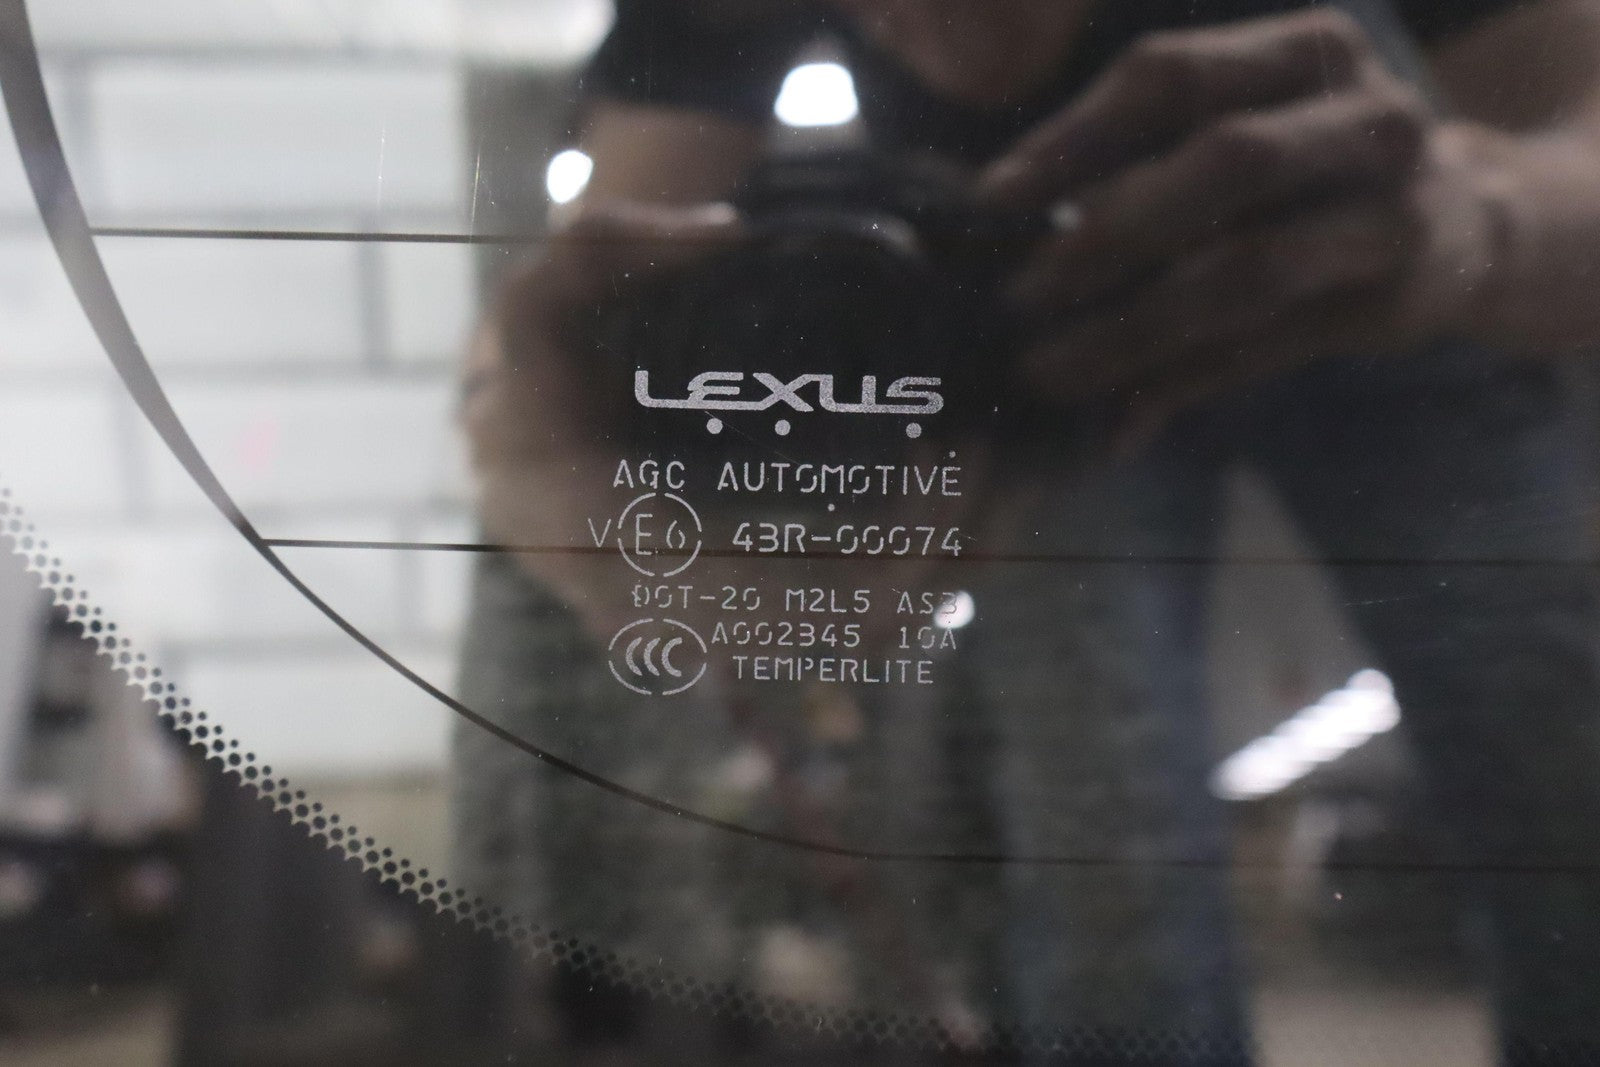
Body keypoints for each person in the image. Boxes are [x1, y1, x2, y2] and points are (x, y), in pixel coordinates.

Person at [455, 0, 1600, 1061]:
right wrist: (562, 427)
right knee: (1101, 841)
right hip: (1067, 355)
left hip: (1386, 298)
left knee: (1557, 761)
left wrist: (1473, 215)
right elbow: (609, 262)